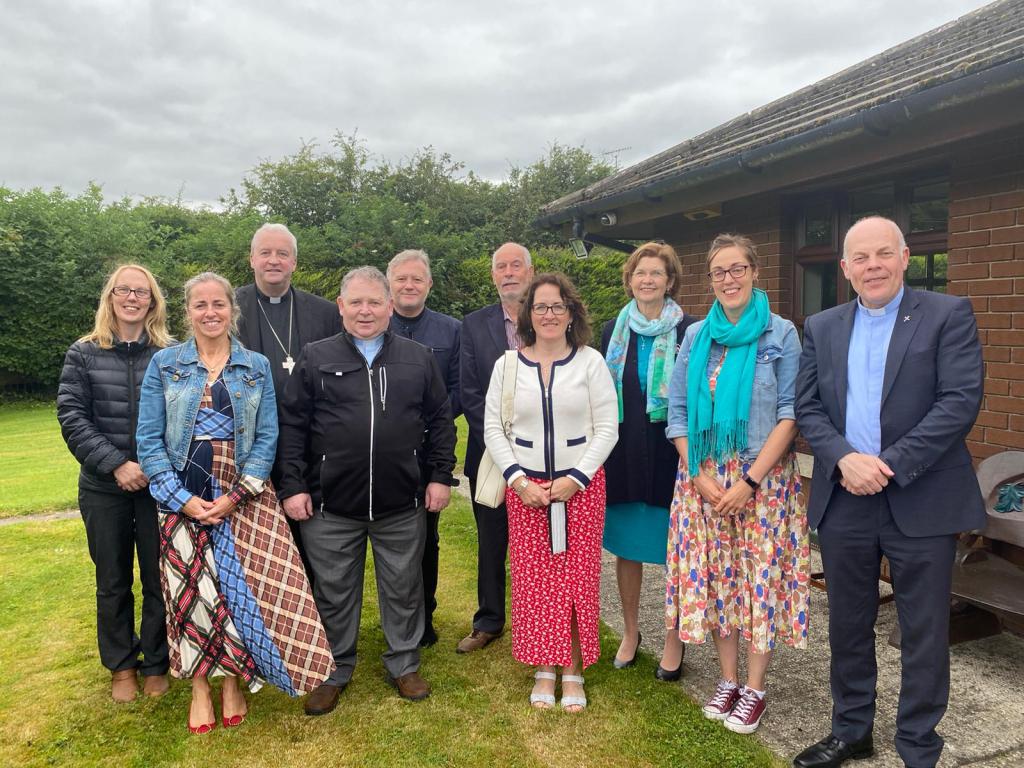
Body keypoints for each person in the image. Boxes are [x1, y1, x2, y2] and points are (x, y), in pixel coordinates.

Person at [793, 217, 984, 768]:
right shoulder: (823, 326)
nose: (872, 265)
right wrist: (844, 459)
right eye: (861, 257)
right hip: (845, 497)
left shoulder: (947, 314)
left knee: (923, 630)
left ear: (904, 258)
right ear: (845, 268)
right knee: (848, 624)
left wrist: (888, 465)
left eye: (883, 253)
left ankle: (918, 747)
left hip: (922, 497)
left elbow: (959, 400)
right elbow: (807, 406)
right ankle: (851, 731)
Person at [136, 272, 334, 734]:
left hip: (242, 498)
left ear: (232, 309)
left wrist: (237, 494)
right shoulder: (165, 364)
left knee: (243, 593)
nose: (210, 313)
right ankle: (200, 687)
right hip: (181, 498)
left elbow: (266, 436)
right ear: (188, 312)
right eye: (200, 305)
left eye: (218, 304)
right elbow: (148, 439)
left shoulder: (255, 365)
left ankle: (233, 682)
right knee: (192, 595)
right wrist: (181, 499)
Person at [276, 266, 457, 715]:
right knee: (333, 590)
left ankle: (404, 664)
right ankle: (335, 669)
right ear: (341, 306)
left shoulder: (418, 358)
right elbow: (293, 426)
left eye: (374, 302)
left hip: (402, 501)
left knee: (404, 586)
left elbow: (440, 421)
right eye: (355, 302)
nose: (365, 310)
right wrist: (294, 486)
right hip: (331, 505)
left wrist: (439, 476)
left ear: (389, 307)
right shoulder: (315, 356)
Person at [665, 234, 809, 735]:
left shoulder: (780, 334)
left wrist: (750, 479)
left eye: (737, 269)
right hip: (702, 481)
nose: (728, 280)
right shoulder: (695, 336)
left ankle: (754, 688)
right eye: (719, 272)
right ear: (710, 279)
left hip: (762, 482)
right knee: (719, 579)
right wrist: (697, 473)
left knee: (759, 579)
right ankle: (727, 679)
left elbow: (791, 414)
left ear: (754, 272)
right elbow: (677, 412)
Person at [483, 272, 618, 712]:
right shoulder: (507, 366)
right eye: (540, 307)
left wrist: (576, 478)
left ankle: (573, 669)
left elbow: (607, 428)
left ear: (571, 313)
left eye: (558, 306)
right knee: (535, 582)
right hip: (527, 491)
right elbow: (492, 429)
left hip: (580, 489)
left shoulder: (590, 362)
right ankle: (544, 666)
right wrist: (518, 481)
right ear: (528, 315)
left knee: (577, 580)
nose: (549, 314)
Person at [57, 264, 173, 703]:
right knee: (112, 579)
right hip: (103, 487)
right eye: (123, 290)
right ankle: (122, 665)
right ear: (110, 297)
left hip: (157, 487)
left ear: (152, 301)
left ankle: (157, 662)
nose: (132, 298)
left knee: (160, 579)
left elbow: (182, 419)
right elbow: (72, 416)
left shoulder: (169, 354)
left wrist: (154, 467)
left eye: (141, 292)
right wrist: (116, 465)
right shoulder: (84, 353)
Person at [601, 242, 696, 679]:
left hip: (671, 454)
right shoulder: (613, 330)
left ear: (670, 281)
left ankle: (674, 640)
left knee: (676, 550)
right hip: (622, 454)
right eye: (640, 273)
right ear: (630, 279)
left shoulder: (690, 330)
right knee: (627, 549)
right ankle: (631, 631)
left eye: (656, 273)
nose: (647, 280)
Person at [235, 223, 342, 578]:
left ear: (294, 262)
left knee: (312, 546)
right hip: (249, 444)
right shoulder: (229, 307)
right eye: (265, 252)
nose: (274, 260)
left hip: (310, 446)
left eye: (282, 254)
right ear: (252, 259)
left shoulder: (325, 313)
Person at [457, 242, 534, 654]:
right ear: (493, 276)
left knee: (536, 543)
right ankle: (489, 620)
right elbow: (469, 391)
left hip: (543, 454)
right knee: (491, 539)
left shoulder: (549, 316)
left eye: (515, 265)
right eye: (501, 267)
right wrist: (500, 443)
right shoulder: (473, 325)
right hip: (489, 455)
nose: (508, 273)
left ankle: (535, 618)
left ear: (530, 271)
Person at [387, 248, 462, 648]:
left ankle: (424, 616)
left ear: (429, 284)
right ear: (389, 284)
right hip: (383, 449)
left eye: (417, 278)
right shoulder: (374, 325)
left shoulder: (451, 330)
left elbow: (460, 387)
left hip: (431, 450)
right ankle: (393, 617)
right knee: (384, 538)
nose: (409, 285)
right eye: (401, 278)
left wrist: (431, 417)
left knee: (425, 538)